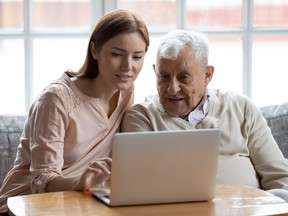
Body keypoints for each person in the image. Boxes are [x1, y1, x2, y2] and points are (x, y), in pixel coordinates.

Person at [0, 9, 149, 214]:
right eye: (116, 54)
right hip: (25, 205)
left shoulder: (126, 93)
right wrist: (80, 183)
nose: (127, 67)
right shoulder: (55, 100)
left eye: (137, 57)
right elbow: (42, 179)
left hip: (79, 203)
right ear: (95, 50)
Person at [121, 29, 288, 201]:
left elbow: (279, 177)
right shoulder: (141, 117)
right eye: (164, 76)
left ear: (207, 75)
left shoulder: (242, 107)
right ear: (155, 72)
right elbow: (143, 188)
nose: (172, 88)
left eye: (183, 77)